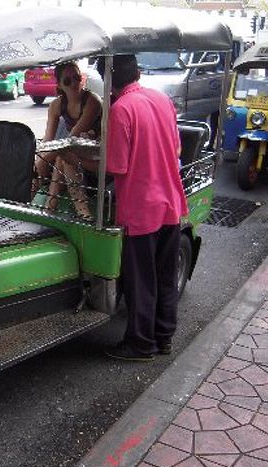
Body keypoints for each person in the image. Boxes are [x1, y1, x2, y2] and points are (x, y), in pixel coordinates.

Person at [100, 55, 187, 362]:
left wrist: (76, 156)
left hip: (141, 210)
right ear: (137, 72)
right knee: (164, 276)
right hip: (170, 203)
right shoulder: (161, 99)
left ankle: (140, 344)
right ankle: (163, 338)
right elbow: (176, 148)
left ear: (108, 81)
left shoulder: (121, 109)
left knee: (142, 281)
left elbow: (116, 166)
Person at [32, 62, 101, 213]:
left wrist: (44, 158)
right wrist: (40, 158)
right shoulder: (56, 105)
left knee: (62, 156)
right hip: (71, 151)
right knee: (52, 159)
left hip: (94, 154)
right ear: (60, 85)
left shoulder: (92, 102)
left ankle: (52, 205)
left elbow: (71, 139)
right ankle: (27, 202)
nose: (74, 83)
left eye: (77, 78)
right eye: (68, 81)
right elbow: (48, 140)